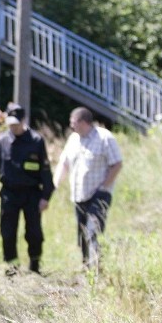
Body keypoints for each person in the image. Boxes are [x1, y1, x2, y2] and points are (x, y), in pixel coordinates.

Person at [0, 106, 54, 274]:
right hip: (9, 194)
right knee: (7, 234)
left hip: (32, 194)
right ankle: (11, 269)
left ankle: (35, 267)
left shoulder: (36, 141)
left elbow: (45, 170)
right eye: (10, 124)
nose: (13, 127)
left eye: (16, 124)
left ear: (23, 121)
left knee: (34, 234)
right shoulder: (1, 142)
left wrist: (46, 196)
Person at [53, 106, 123, 270]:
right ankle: (86, 268)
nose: (71, 126)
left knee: (93, 232)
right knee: (82, 235)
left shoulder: (104, 138)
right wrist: (54, 185)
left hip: (98, 195)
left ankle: (97, 268)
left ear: (83, 122)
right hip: (78, 196)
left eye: (73, 123)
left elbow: (117, 164)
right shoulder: (73, 139)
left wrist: (104, 187)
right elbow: (64, 164)